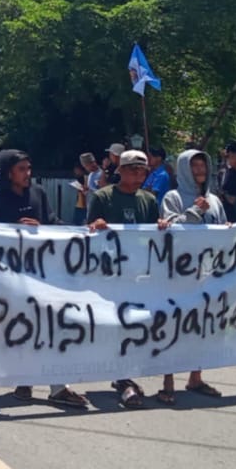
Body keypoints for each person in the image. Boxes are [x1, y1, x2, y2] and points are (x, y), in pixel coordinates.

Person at [0, 149, 88, 408]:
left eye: (29, 168)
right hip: (14, 279)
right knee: (22, 330)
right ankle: (24, 380)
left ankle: (58, 387)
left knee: (51, 327)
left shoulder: (39, 194)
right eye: (22, 169)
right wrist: (15, 229)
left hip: (44, 275)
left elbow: (53, 222)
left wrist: (81, 232)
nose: (27, 174)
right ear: (9, 172)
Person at [87, 150, 159, 408]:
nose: (138, 175)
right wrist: (97, 225)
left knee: (136, 326)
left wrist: (160, 228)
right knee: (116, 325)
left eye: (143, 171)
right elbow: (90, 232)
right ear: (121, 171)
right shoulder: (102, 197)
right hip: (110, 274)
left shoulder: (149, 200)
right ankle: (122, 377)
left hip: (138, 273)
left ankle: (125, 375)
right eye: (133, 170)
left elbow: (153, 235)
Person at [156, 149, 227, 404]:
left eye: (203, 166)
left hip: (206, 273)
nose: (200, 171)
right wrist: (195, 211)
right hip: (178, 272)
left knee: (202, 326)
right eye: (194, 166)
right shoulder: (172, 197)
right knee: (174, 326)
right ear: (185, 169)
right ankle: (167, 381)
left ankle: (196, 376)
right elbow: (169, 228)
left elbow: (222, 232)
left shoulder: (215, 200)